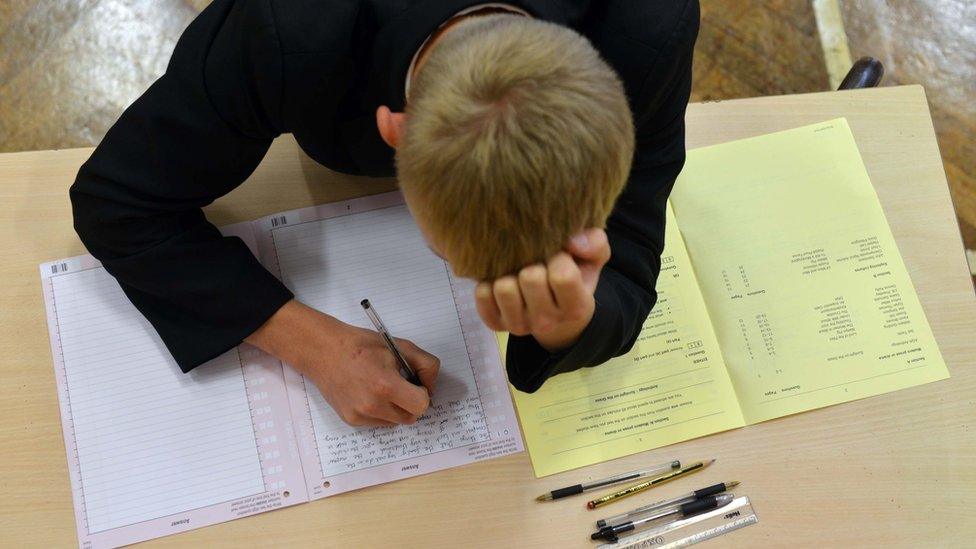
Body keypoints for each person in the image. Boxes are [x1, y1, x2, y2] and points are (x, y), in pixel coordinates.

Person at [69, 1, 700, 428]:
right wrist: (308, 342)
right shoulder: (288, 28)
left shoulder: (648, 27)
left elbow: (631, 239)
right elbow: (117, 201)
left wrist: (574, 319)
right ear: (394, 132)